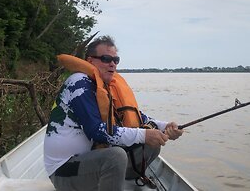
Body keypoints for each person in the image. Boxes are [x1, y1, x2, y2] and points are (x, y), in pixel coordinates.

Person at [44, 35, 183, 191]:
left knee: (151, 146)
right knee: (115, 156)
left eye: (116, 60)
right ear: (90, 61)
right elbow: (96, 131)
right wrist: (145, 135)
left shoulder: (104, 86)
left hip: (90, 162)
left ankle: (119, 181)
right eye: (106, 59)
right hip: (64, 171)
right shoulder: (79, 83)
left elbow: (138, 117)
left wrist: (165, 127)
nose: (112, 64)